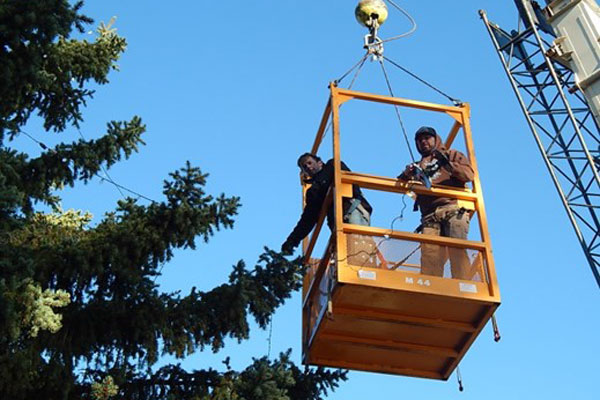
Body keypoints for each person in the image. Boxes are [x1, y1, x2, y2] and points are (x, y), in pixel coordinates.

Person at [399, 126, 475, 279]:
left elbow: (469, 175)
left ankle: (463, 285)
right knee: (429, 255)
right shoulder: (418, 167)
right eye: (419, 140)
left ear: (436, 139)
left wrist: (448, 165)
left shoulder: (451, 154)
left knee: (457, 249)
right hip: (429, 216)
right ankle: (431, 286)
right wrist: (406, 174)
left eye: (427, 138)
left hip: (452, 208)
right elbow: (400, 184)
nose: (423, 142)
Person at [281, 153, 372, 255]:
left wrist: (318, 184)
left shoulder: (333, 166)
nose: (308, 167)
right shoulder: (313, 192)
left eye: (309, 163)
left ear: (319, 163)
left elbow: (351, 183)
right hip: (337, 224)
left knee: (360, 247)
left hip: (352, 209)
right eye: (305, 167)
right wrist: (292, 241)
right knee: (345, 254)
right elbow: (308, 219)